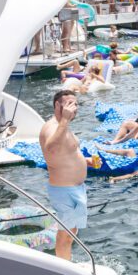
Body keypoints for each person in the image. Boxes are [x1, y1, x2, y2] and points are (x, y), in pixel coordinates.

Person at [39, 91, 91, 260]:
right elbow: (51, 148)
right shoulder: (52, 126)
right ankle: (64, 272)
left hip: (74, 188)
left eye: (75, 104)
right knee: (66, 234)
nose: (73, 108)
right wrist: (65, 120)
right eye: (69, 104)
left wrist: (86, 161)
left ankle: (66, 264)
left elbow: (65, 153)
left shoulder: (63, 126)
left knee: (71, 232)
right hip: (64, 190)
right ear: (57, 105)